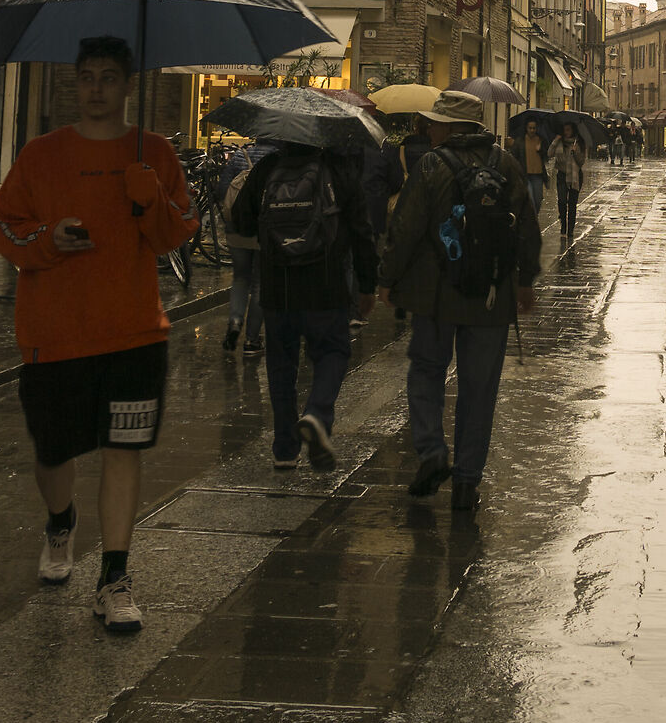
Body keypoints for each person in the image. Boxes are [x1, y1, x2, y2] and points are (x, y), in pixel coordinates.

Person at [0, 36, 196, 637]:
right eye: (87, 77)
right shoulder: (41, 155)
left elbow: (174, 235)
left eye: (109, 76)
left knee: (122, 450)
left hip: (134, 335)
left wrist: (150, 198)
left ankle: (114, 577)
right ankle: (61, 520)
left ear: (128, 85)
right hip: (53, 336)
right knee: (53, 452)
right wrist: (52, 237)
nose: (97, 87)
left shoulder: (155, 154)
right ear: (74, 84)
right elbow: (9, 228)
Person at [380, 89, 539, 514]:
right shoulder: (505, 163)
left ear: (450, 127)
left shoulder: (430, 165)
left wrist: (387, 279)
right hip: (490, 294)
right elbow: (526, 224)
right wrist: (525, 281)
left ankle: (432, 449)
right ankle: (467, 481)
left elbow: (405, 227)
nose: (429, 127)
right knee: (479, 388)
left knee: (426, 373)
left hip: (435, 295)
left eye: (434, 122)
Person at [231, 140, 378, 473]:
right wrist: (367, 285)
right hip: (325, 284)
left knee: (281, 365)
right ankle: (317, 413)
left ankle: (285, 448)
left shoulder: (267, 169)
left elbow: (240, 220)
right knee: (333, 352)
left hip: (277, 286)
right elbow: (362, 231)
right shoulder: (339, 170)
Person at [219, 140, 271, 355]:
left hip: (237, 227)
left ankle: (234, 322)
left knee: (240, 278)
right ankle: (251, 340)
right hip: (262, 229)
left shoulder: (241, 156)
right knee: (260, 283)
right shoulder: (275, 160)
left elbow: (222, 189)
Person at [547, 119, 586, 243]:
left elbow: (581, 162)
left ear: (573, 130)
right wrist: (555, 140)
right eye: (564, 130)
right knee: (562, 202)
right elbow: (549, 153)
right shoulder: (559, 143)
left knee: (572, 205)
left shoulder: (578, 144)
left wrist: (575, 152)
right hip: (562, 176)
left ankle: (570, 230)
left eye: (568, 130)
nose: (566, 132)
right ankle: (563, 226)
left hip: (575, 177)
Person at [515, 117, 546, 218]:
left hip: (538, 175)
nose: (532, 130)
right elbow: (514, 156)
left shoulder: (540, 140)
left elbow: (547, 156)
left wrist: (540, 150)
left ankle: (533, 218)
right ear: (526, 128)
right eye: (530, 128)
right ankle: (530, 219)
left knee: (538, 201)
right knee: (531, 200)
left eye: (534, 128)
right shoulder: (520, 141)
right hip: (525, 176)